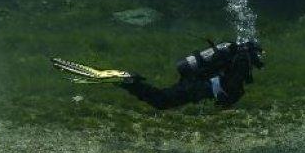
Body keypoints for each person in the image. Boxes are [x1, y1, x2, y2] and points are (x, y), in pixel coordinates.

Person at [51, 40, 263, 109]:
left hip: (197, 79)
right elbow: (231, 88)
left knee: (162, 99)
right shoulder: (243, 61)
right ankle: (126, 79)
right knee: (161, 101)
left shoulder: (235, 53)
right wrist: (229, 100)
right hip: (201, 85)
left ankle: (126, 80)